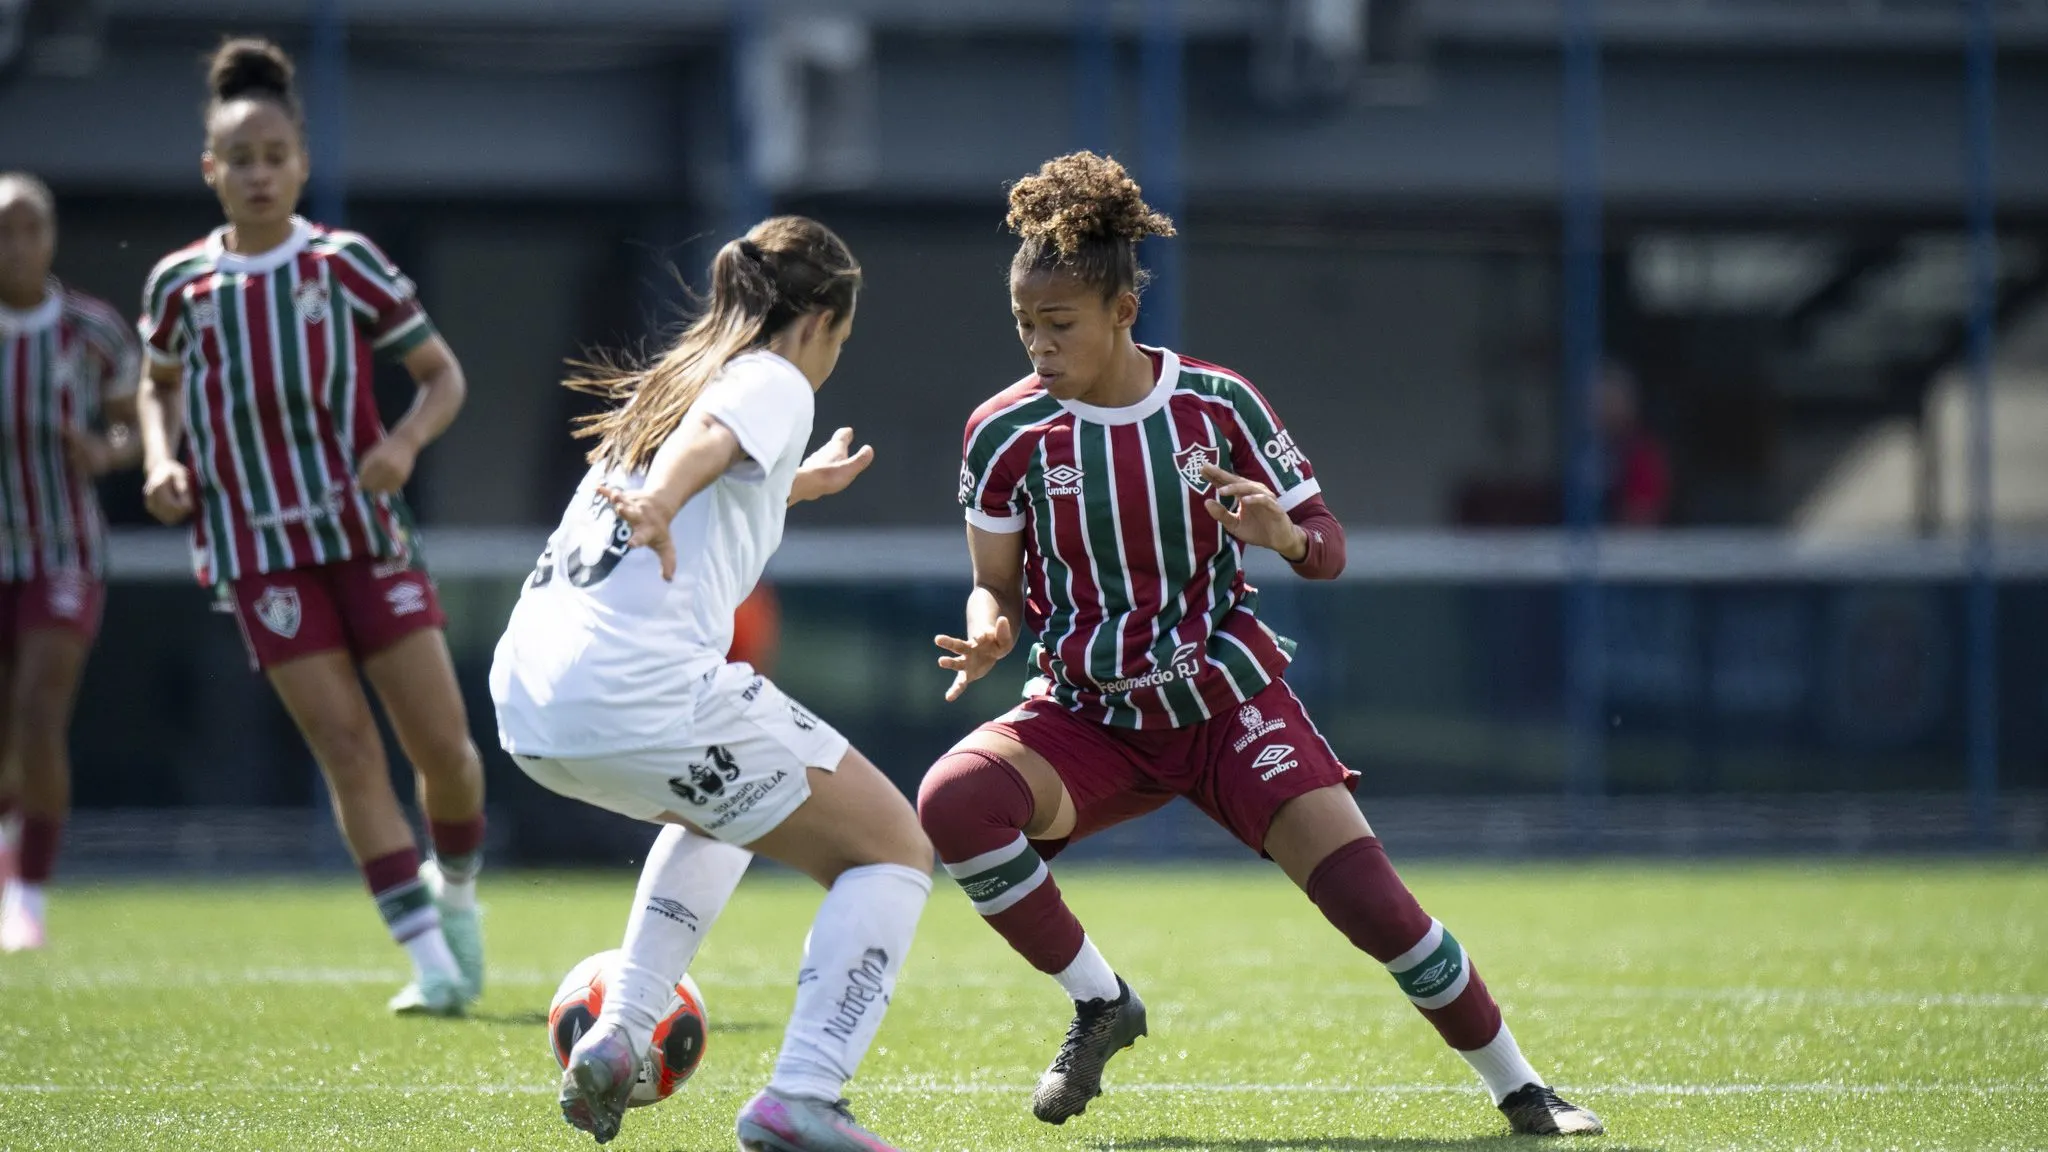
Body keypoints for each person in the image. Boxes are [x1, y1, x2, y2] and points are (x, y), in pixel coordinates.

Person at [916, 152, 1603, 1137]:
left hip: (1225, 704)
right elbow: (994, 579)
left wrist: (1280, 536)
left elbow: (1324, 547)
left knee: (1373, 905)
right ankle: (1101, 1004)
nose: (1037, 345)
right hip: (1091, 715)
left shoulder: (1217, 405)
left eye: (1057, 324)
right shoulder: (1004, 434)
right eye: (1024, 325)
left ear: (1120, 308)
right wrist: (989, 624)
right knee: (952, 803)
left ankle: (1520, 1088)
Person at [490, 216, 931, 1152]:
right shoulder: (769, 377)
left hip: (532, 699)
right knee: (892, 848)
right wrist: (663, 500)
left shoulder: (678, 375)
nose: (830, 364)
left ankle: (616, 1036)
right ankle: (804, 1096)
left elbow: (716, 455)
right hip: (636, 690)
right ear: (816, 319)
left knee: (727, 809)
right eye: (839, 345)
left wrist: (791, 486)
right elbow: (713, 443)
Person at [134, 39, 486, 1015]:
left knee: (446, 756)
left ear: (300, 162)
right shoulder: (179, 287)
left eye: (273, 154)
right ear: (211, 169)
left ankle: (454, 897)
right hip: (259, 554)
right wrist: (161, 459)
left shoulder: (344, 265)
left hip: (367, 536)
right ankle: (427, 962)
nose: (256, 173)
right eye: (237, 158)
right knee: (343, 745)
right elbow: (155, 387)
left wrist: (405, 444)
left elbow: (442, 377)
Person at [0, 172, 141, 952]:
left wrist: (106, 450)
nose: (15, 244)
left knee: (38, 711)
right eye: (2, 230)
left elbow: (138, 428)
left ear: (50, 236)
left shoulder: (91, 331)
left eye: (28, 227)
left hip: (62, 550)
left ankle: (29, 897)